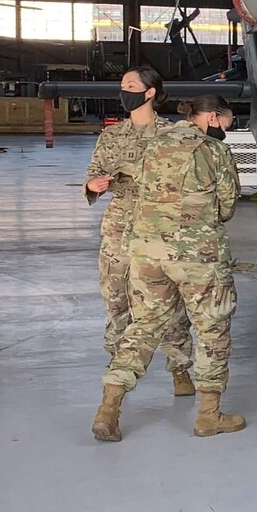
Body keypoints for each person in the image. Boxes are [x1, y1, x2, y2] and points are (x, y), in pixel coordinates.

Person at [92, 94, 244, 441]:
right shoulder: (214, 151)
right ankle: (209, 415)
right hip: (197, 257)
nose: (227, 127)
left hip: (147, 251)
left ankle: (108, 409)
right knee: (211, 329)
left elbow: (137, 192)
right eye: (226, 120)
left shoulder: (153, 145)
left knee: (144, 326)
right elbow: (226, 207)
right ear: (210, 117)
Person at [85, 65, 195, 399]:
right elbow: (93, 173)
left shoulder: (175, 134)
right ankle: (118, 368)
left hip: (160, 229)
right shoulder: (112, 135)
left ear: (149, 92)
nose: (124, 90)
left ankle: (179, 368)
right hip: (119, 230)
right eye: (122, 85)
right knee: (116, 300)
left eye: (131, 85)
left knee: (168, 303)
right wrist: (94, 184)